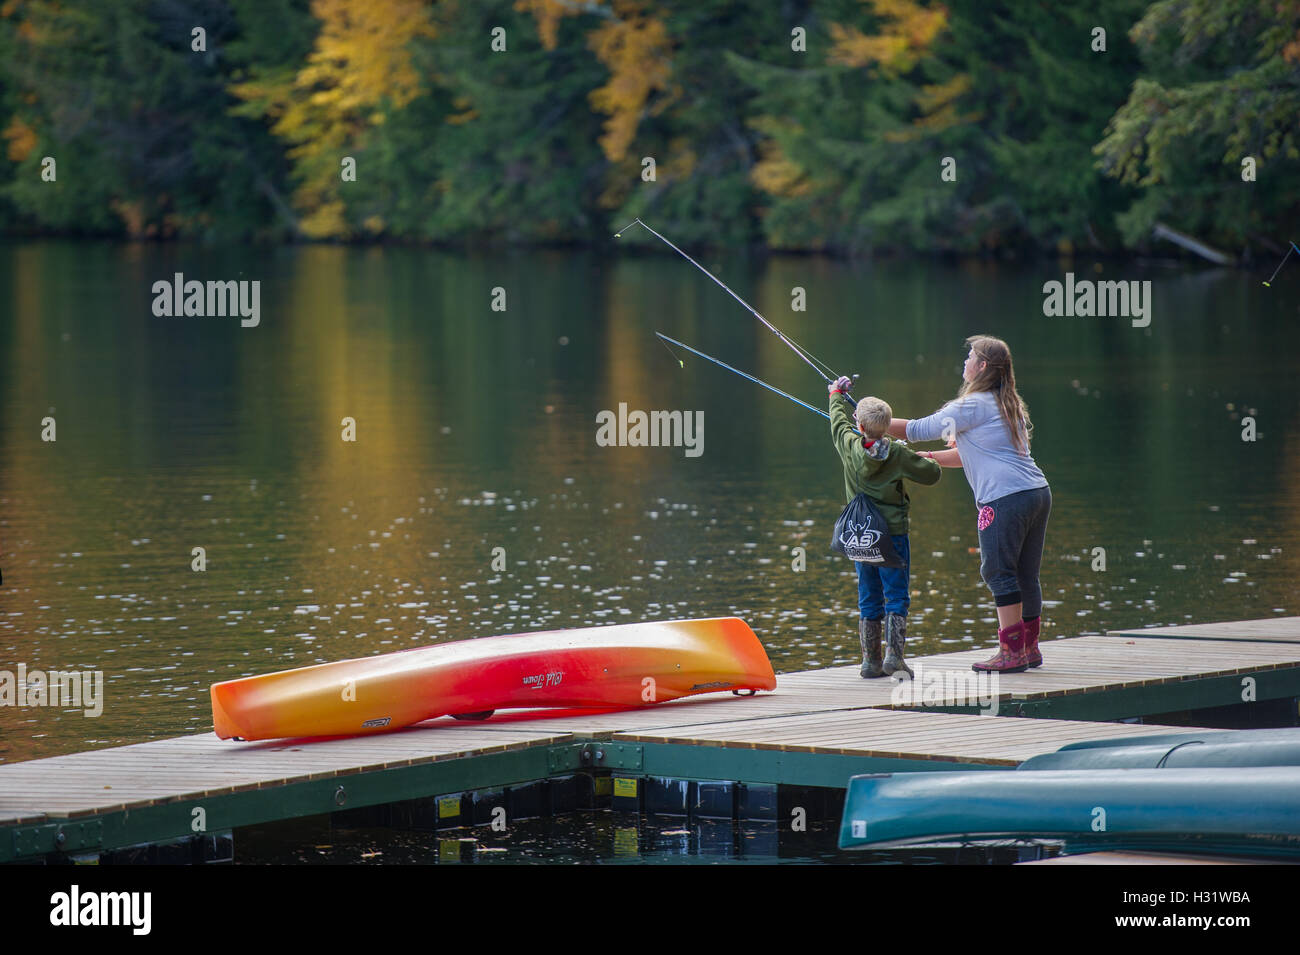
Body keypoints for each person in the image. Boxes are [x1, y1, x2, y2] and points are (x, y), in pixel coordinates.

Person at [886, 335, 1051, 672]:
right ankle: (1028, 649)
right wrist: (926, 458)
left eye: (970, 356)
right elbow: (967, 456)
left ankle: (1011, 652)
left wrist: (873, 424)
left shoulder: (972, 405)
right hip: (1036, 493)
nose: (965, 362)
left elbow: (918, 428)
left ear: (982, 366)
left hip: (1005, 499)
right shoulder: (1006, 403)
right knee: (1026, 575)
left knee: (998, 572)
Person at [829, 378, 940, 678]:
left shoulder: (848, 445)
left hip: (860, 538)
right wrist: (910, 453)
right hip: (892, 537)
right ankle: (895, 658)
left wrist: (837, 395)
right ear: (888, 427)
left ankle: (870, 662)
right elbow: (933, 475)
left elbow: (838, 422)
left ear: (860, 426)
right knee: (897, 594)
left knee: (868, 595)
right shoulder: (897, 454)